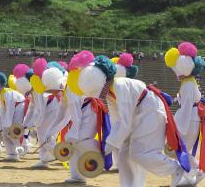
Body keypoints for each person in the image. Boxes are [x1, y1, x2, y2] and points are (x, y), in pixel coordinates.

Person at [71, 53, 192, 187]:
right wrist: (109, 144)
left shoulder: (121, 86)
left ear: (102, 81)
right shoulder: (110, 94)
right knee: (123, 155)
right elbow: (117, 121)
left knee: (140, 153)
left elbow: (125, 121)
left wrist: (110, 144)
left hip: (151, 111)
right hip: (139, 113)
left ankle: (176, 170)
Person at [48, 51, 112, 183]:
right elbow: (62, 113)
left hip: (91, 110)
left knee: (78, 139)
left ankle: (103, 151)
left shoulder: (72, 88)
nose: (51, 93)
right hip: (83, 112)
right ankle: (77, 176)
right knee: (70, 140)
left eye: (50, 90)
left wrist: (74, 131)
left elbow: (75, 112)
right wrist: (52, 131)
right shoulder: (66, 90)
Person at [165, 42, 205, 185]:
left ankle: (195, 171)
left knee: (180, 149)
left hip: (189, 119)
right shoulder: (189, 82)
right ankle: (192, 174)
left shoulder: (188, 84)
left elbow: (186, 107)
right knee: (181, 150)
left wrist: (178, 126)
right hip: (191, 118)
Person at [23, 59, 68, 168]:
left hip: (53, 109)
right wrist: (27, 123)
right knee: (41, 132)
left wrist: (35, 122)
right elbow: (32, 107)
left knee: (47, 133)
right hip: (47, 112)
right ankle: (45, 158)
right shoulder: (35, 91)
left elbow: (43, 106)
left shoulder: (42, 89)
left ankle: (57, 153)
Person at [8, 64, 34, 156]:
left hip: (30, 104)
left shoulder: (34, 89)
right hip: (26, 103)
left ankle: (26, 145)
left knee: (27, 126)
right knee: (25, 126)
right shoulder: (22, 82)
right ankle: (25, 145)